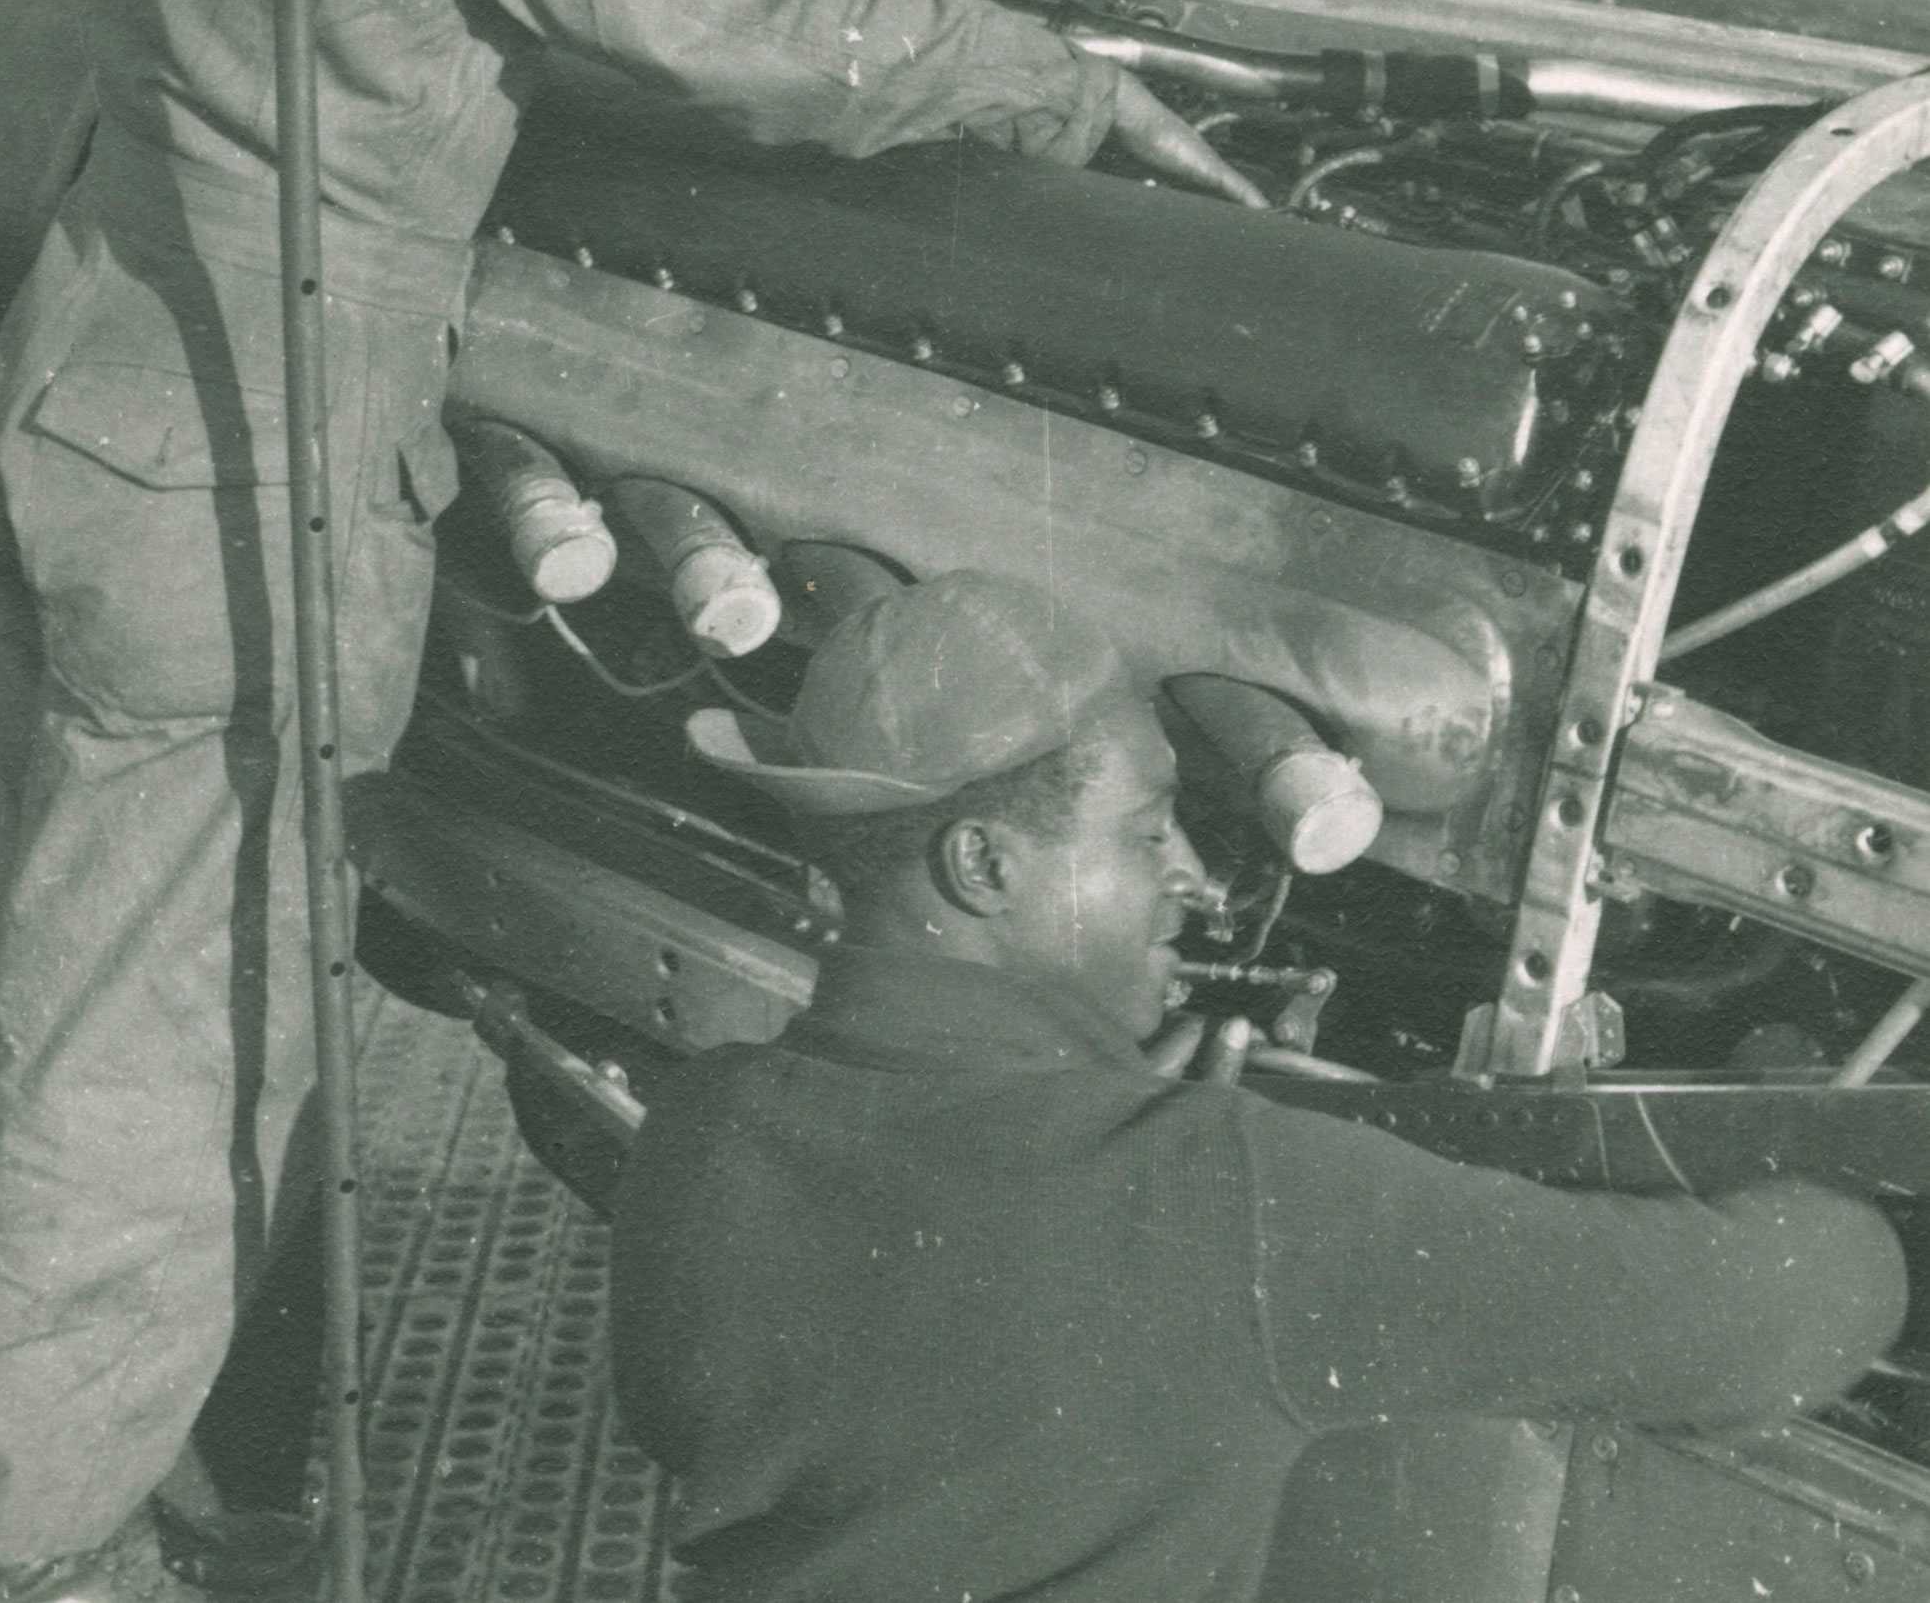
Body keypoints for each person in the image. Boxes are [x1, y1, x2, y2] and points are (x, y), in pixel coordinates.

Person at [0, 0, 1262, 1603]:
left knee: (54, 1002)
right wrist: (1074, 85)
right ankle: (7, 1553)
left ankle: (97, 1478)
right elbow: (768, 16)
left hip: (91, 411)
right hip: (250, 493)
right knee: (150, 1100)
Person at [612, 569, 1910, 1603]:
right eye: (1141, 832)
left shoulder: (697, 1134)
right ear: (983, 866)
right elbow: (1791, 1317)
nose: (1197, 878)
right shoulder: (1214, 1201)